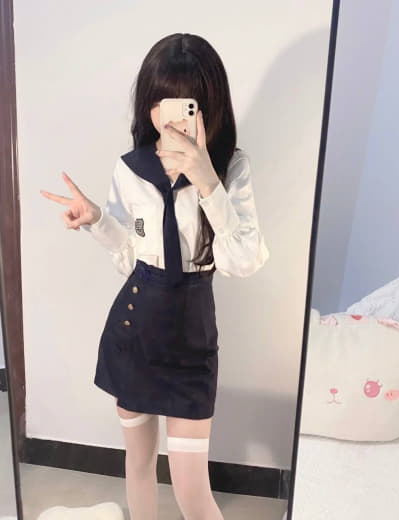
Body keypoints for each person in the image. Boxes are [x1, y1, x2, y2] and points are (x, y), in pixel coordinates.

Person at [41, 32, 270, 520]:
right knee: (140, 464)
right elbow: (130, 256)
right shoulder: (130, 169)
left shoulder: (231, 169)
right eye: (159, 102)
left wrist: (206, 179)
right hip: (134, 333)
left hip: (191, 345)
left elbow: (243, 260)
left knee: (192, 493)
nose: (170, 117)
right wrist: (97, 220)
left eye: (186, 104)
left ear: (207, 107)